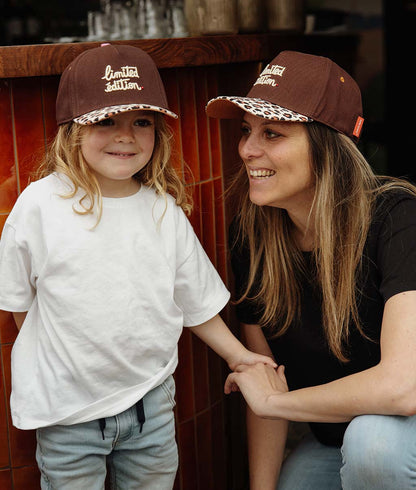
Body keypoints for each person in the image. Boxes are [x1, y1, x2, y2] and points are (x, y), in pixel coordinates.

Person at [0, 43, 276, 490]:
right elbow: (19, 307)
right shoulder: (38, 207)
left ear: (158, 133)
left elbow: (196, 300)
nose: (125, 135)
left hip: (150, 405)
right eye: (106, 120)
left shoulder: (162, 211)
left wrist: (238, 356)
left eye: (141, 122)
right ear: (72, 129)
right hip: (67, 414)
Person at [206, 50, 416, 489]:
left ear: (328, 146)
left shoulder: (396, 218)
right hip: (333, 440)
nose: (247, 149)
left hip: (395, 435)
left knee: (372, 445)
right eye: (247, 131)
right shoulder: (254, 239)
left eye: (273, 134)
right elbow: (266, 378)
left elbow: (403, 387)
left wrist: (276, 403)